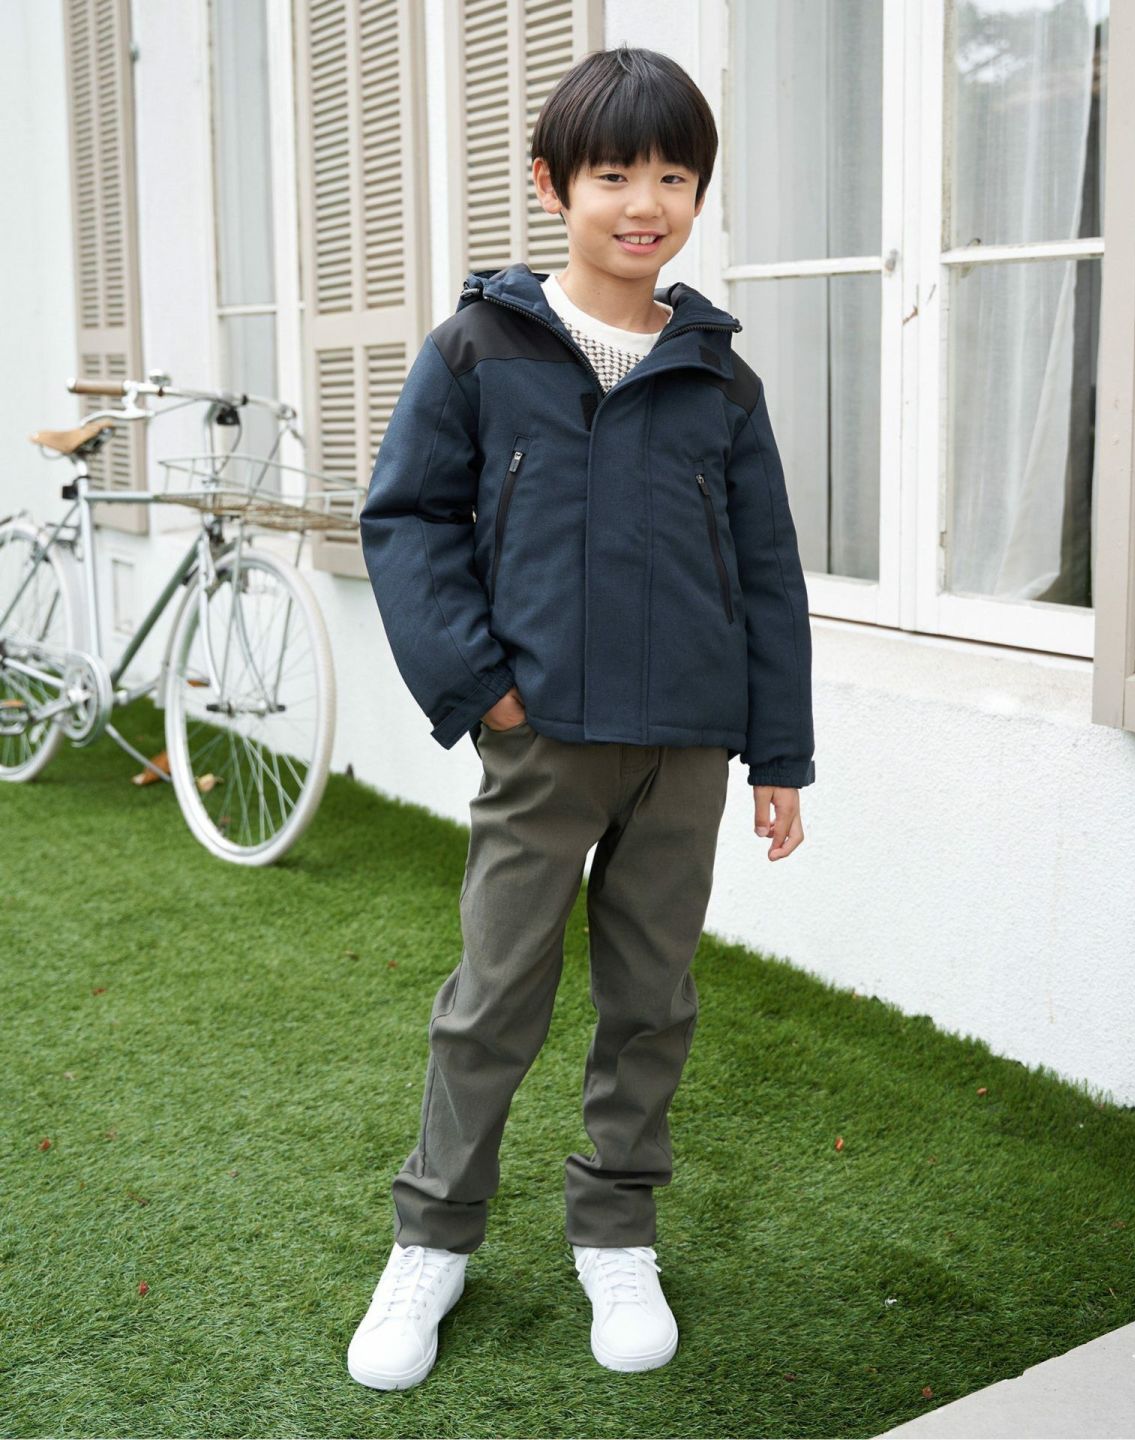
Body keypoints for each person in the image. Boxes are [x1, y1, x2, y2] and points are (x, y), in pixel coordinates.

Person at [347, 42, 815, 1392]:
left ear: (697, 195)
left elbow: (767, 569)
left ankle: (616, 1229)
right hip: (541, 739)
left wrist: (777, 752)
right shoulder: (478, 349)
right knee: (494, 994)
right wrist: (484, 690)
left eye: (673, 176)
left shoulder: (720, 377)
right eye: (614, 173)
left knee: (651, 999)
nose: (644, 202)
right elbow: (407, 521)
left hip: (687, 747)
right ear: (554, 185)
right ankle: (433, 1238)